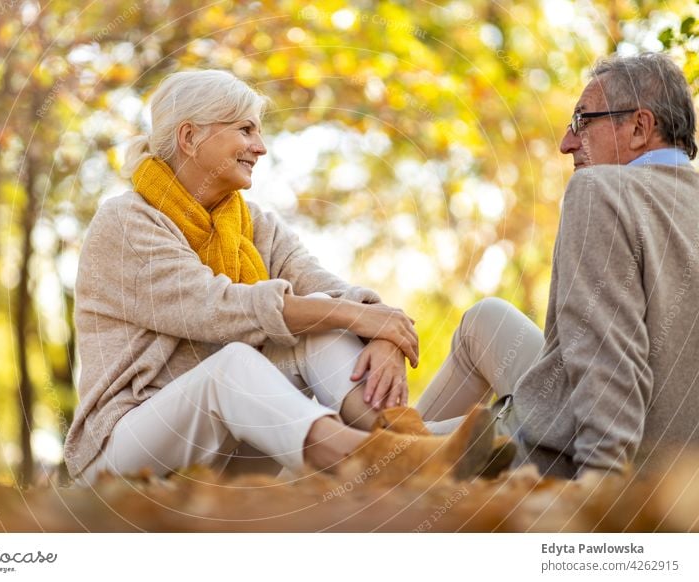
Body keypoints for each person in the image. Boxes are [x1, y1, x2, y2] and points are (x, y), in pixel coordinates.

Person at [63, 70, 508, 486]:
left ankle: (408, 444)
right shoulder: (126, 223)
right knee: (236, 361)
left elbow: (326, 288)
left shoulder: (252, 224)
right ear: (190, 137)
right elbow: (216, 309)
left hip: (226, 447)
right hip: (122, 449)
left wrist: (384, 331)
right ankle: (376, 459)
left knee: (319, 332)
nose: (261, 147)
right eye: (245, 129)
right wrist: (357, 317)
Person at [414, 52, 699, 478]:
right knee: (485, 318)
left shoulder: (599, 189)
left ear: (639, 127)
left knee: (367, 452)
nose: (566, 142)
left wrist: (601, 492)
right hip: (677, 464)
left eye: (583, 121)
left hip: (567, 455)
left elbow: (609, 355)